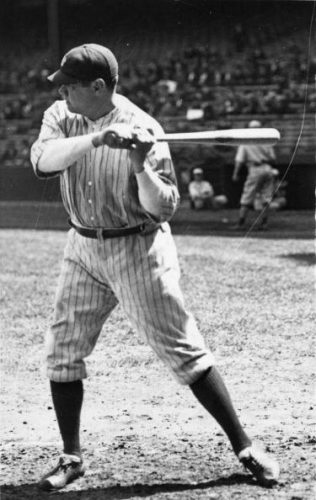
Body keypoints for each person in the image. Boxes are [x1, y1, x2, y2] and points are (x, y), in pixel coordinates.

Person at [30, 44, 279, 492]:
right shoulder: (61, 116)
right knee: (62, 352)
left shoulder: (145, 127)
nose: (62, 89)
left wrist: (139, 163)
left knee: (183, 351)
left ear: (98, 86)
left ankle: (245, 445)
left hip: (137, 248)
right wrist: (95, 139)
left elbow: (162, 209)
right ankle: (71, 456)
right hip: (82, 245)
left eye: (70, 84)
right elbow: (43, 162)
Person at [232, 120, 277, 230]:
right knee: (266, 197)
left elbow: (239, 160)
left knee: (247, 196)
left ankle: (241, 223)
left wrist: (235, 173)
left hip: (255, 168)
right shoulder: (266, 141)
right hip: (267, 168)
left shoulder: (246, 142)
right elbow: (273, 158)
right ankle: (264, 223)